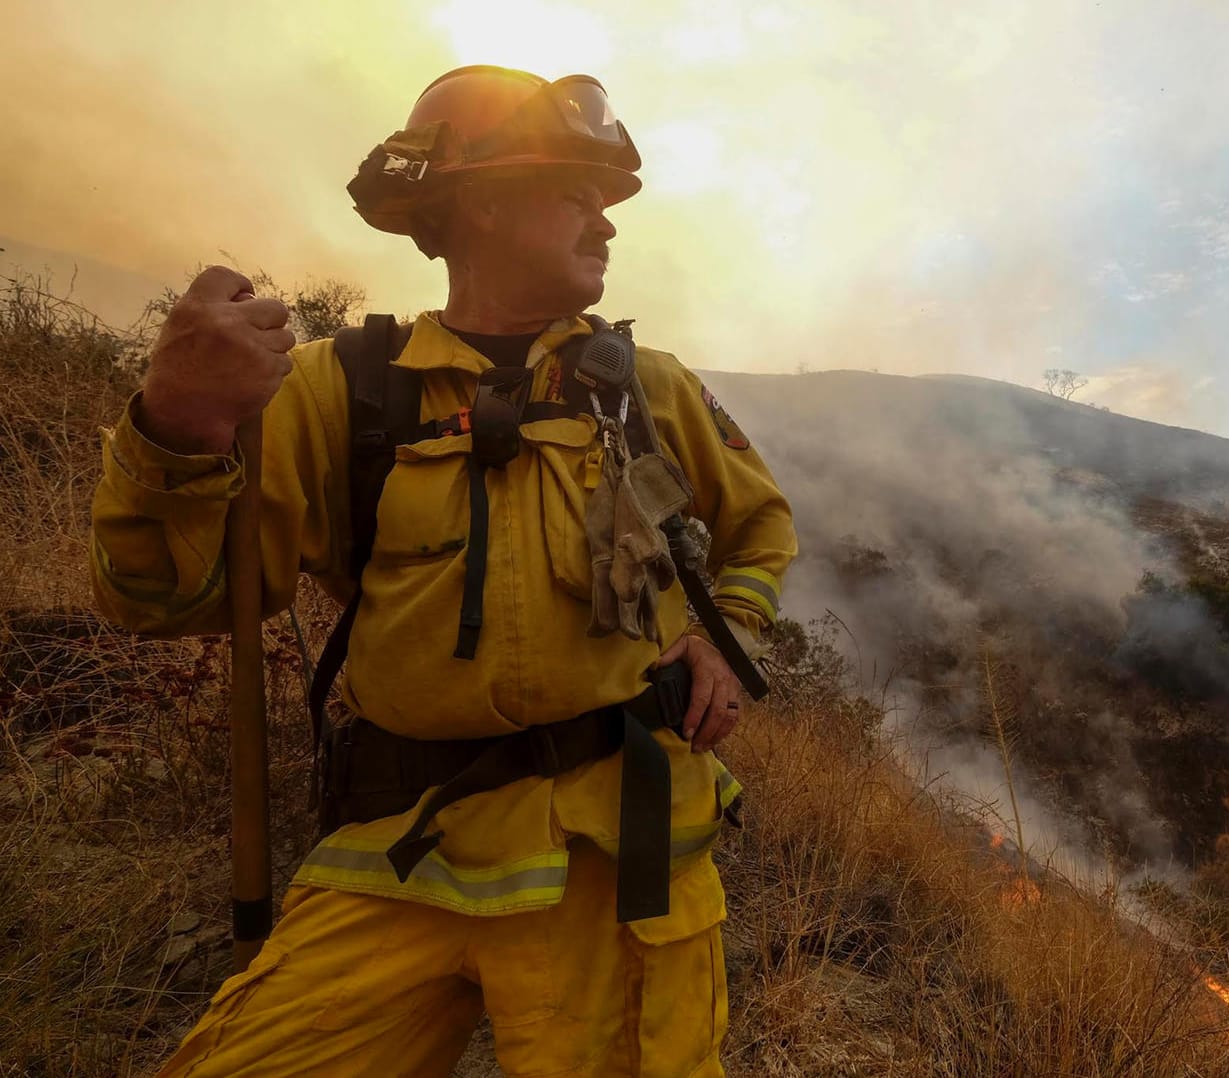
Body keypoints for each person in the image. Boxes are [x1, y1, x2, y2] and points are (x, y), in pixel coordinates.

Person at [89, 65, 795, 1076]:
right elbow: (165, 600)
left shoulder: (650, 390)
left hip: (616, 860)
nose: (607, 223)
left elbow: (761, 528)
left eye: (606, 200)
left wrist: (732, 637)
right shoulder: (340, 390)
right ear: (485, 202)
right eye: (575, 193)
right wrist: (176, 430)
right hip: (398, 854)